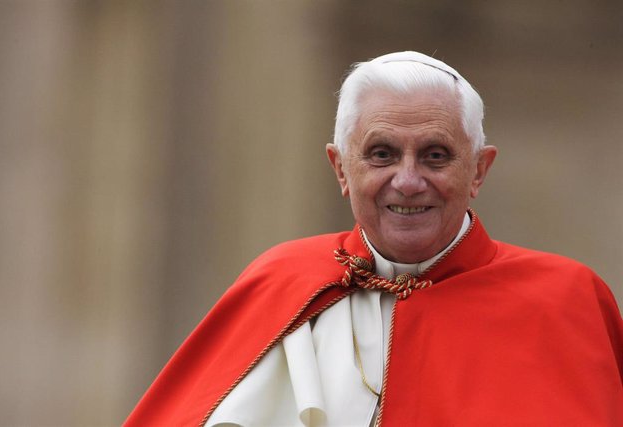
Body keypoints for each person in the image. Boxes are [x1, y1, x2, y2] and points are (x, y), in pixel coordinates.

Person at [126, 51, 623, 426]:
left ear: (478, 170)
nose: (408, 181)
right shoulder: (279, 280)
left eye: (435, 155)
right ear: (341, 168)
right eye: (382, 154)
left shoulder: (564, 300)